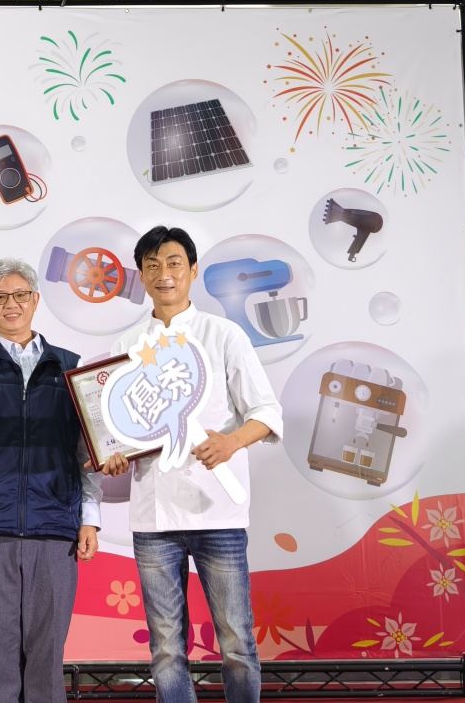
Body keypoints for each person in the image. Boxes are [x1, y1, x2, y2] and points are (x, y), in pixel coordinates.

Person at [101, 226, 283, 703]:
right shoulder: (125, 344)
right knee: (165, 648)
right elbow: (115, 429)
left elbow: (266, 412)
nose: (164, 274)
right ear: (141, 275)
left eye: (174, 263)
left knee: (237, 642)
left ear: (193, 270)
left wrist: (231, 442)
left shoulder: (224, 335)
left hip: (218, 511)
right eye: (153, 265)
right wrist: (113, 454)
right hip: (154, 517)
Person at [0, 258, 103, 703]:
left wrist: (89, 518)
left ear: (35, 300)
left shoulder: (70, 367)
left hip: (55, 527)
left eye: (19, 295)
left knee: (48, 659)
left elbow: (85, 452)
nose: (10, 305)